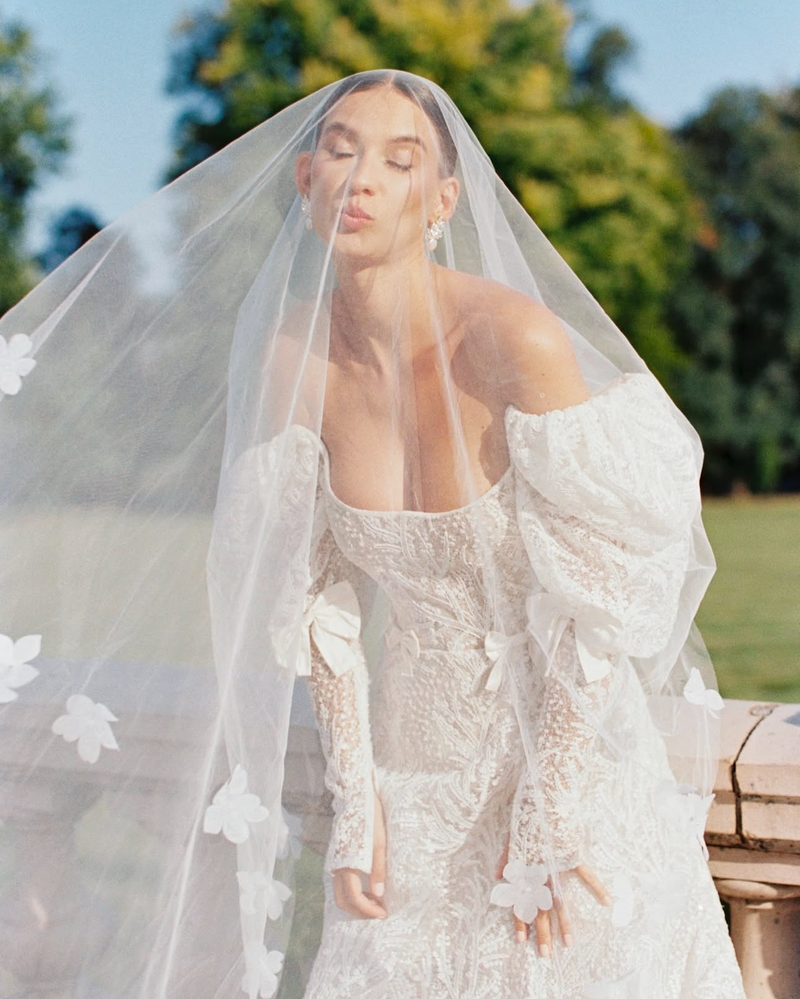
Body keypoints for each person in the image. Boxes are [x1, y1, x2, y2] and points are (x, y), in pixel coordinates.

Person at [0, 69, 745, 999]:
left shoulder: (516, 340)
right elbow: (315, 599)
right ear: (305, 179)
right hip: (412, 776)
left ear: (440, 200)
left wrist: (551, 806)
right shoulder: (290, 360)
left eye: (399, 161)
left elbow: (600, 596)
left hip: (568, 765)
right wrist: (357, 804)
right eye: (342, 151)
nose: (361, 180)